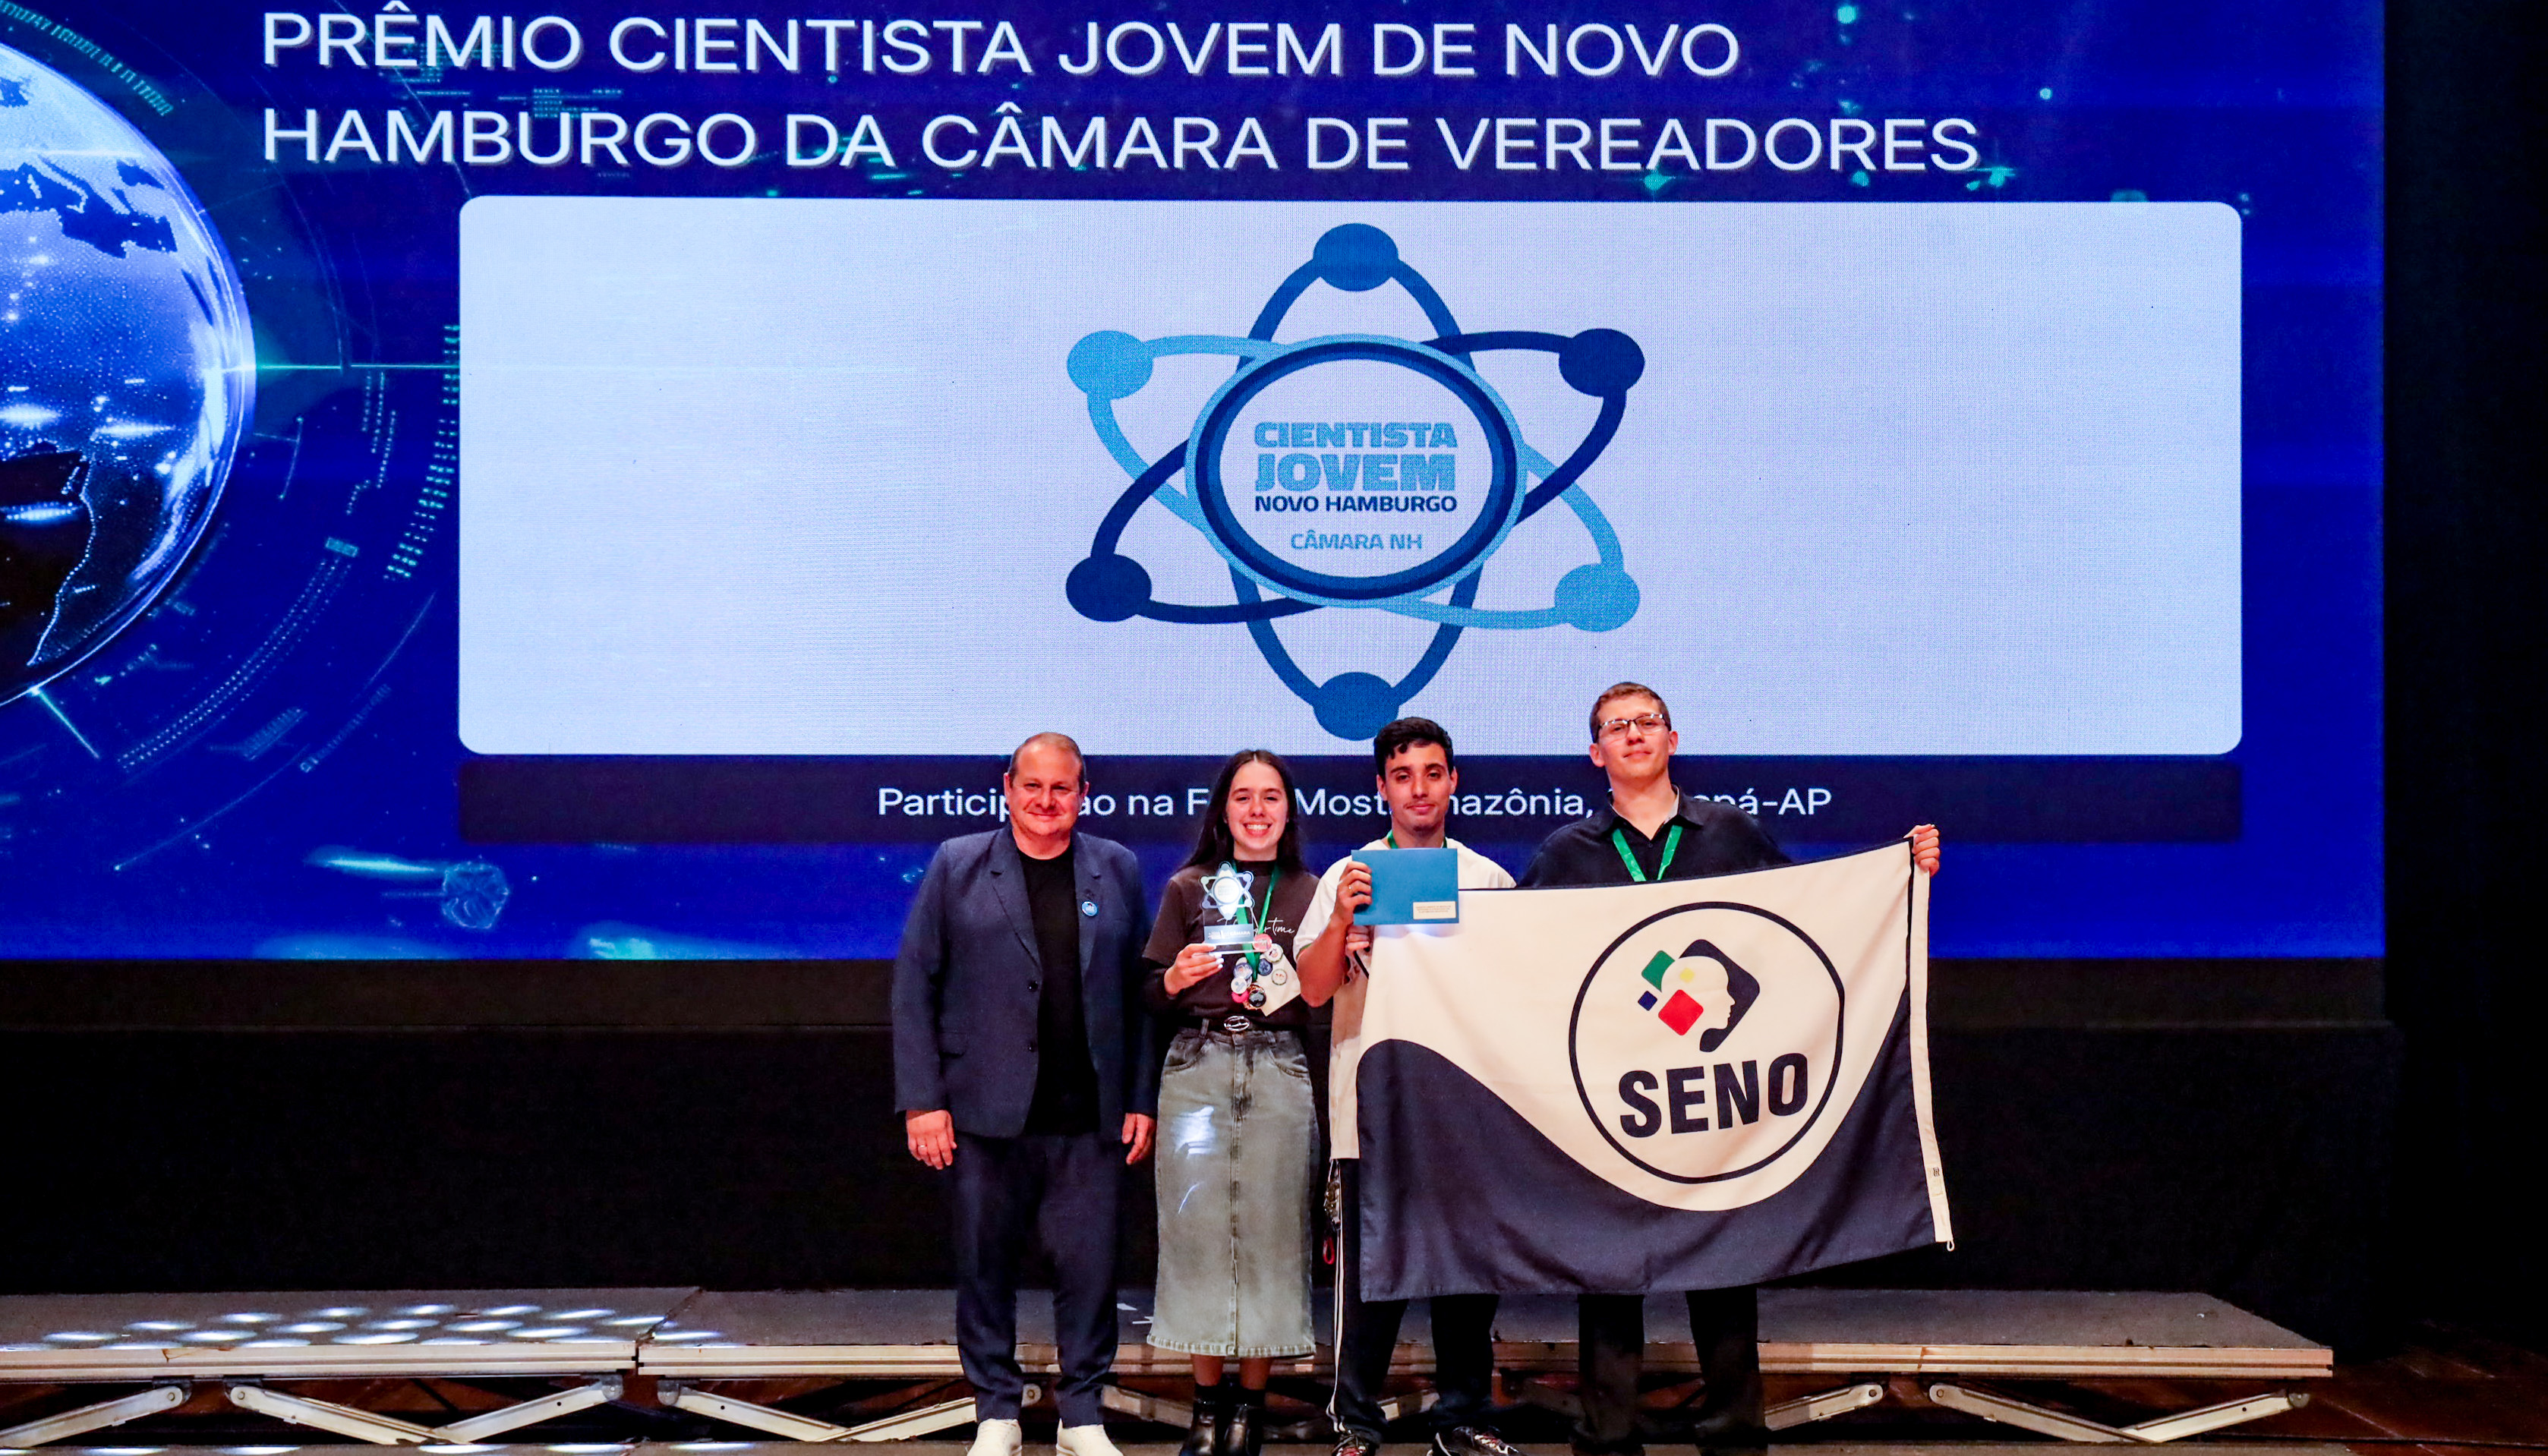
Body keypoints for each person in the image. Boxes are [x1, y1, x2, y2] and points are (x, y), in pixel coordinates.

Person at [1522, 683, 1942, 1456]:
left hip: (1714, 1088)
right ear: (1595, 753)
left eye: (1647, 722)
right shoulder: (1566, 853)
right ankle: (1608, 1434)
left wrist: (1901, 873)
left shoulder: (1728, 832)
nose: (1634, 734)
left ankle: (1734, 1429)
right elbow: (1517, 955)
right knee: (1606, 1263)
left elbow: (1805, 918)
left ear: (1672, 739)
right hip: (1613, 1092)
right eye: (1616, 726)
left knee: (1723, 1254)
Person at [892, 733, 1159, 1456]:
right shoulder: (957, 863)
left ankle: (1082, 1416)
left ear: (1084, 795)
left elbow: (1139, 995)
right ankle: (997, 1413)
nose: (1047, 801)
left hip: (1089, 1115)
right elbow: (915, 984)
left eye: (1062, 788)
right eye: (1032, 786)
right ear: (1007, 788)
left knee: (1090, 1273)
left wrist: (1141, 1098)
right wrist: (922, 1100)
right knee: (985, 1268)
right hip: (982, 1113)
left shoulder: (1117, 867)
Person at [1294, 718, 1522, 1456]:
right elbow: (1312, 989)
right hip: (1373, 1107)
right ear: (1381, 787)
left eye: (1431, 772)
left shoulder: (1488, 880)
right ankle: (1356, 1424)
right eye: (1402, 775)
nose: (1418, 788)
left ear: (1453, 780)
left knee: (1468, 1273)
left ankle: (1462, 1420)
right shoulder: (1347, 877)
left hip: (1463, 1108)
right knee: (1368, 1277)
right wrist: (1341, 925)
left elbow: (1516, 995)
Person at [1142, 751, 1324, 1456]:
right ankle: (1206, 1406)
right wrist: (1173, 980)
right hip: (1198, 1065)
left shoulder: (1312, 891)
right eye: (1243, 796)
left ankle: (1248, 1408)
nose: (1257, 810)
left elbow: (1322, 995)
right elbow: (1148, 993)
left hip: (1279, 1064)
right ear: (1223, 809)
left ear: (1288, 809)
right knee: (1198, 1237)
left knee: (1273, 1235)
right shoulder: (1188, 888)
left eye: (1270, 796)